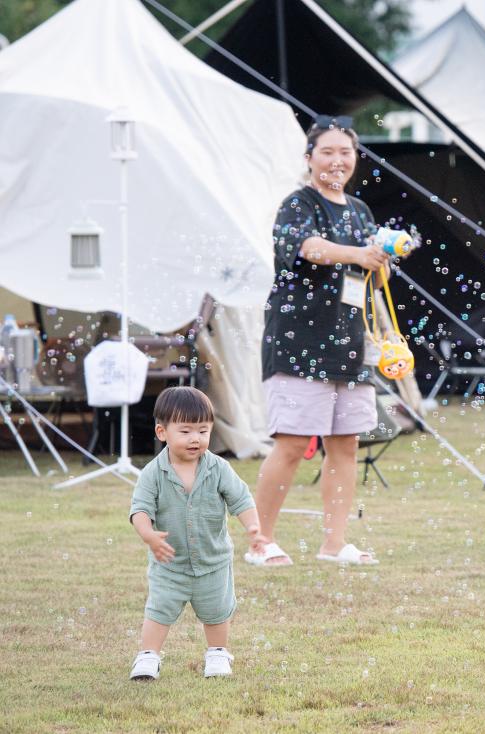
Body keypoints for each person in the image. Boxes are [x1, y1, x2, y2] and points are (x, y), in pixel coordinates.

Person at [247, 116, 391, 568]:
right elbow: (309, 248)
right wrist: (357, 253)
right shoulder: (297, 204)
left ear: (355, 158)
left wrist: (382, 261)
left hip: (350, 341)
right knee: (292, 443)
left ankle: (334, 544)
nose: (337, 160)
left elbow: (370, 277)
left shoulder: (361, 211)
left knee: (345, 443)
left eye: (345, 152)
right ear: (309, 158)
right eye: (327, 152)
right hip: (299, 341)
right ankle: (260, 542)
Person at [128, 387, 265, 680]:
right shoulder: (152, 473)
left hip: (213, 562)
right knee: (159, 610)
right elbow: (140, 510)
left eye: (203, 431)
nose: (196, 439)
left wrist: (253, 527)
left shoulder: (219, 468)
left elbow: (241, 499)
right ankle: (148, 655)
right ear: (162, 432)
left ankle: (217, 653)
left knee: (217, 611)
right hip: (170, 565)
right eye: (186, 431)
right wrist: (148, 534)